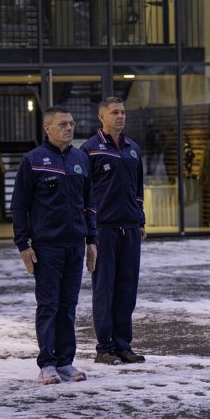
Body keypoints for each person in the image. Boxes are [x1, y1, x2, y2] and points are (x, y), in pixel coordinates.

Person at [11, 106, 97, 385]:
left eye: (71, 124)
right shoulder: (33, 160)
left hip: (75, 245)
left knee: (68, 305)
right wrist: (23, 244)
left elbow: (88, 204)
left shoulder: (81, 159)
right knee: (49, 304)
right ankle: (47, 363)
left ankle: (65, 361)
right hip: (47, 246)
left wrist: (92, 240)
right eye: (63, 124)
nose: (69, 128)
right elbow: (20, 206)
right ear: (48, 128)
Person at [81, 97, 147, 365]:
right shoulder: (90, 149)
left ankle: (123, 344)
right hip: (104, 229)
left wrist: (140, 220)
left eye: (123, 112)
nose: (120, 116)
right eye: (114, 112)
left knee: (127, 288)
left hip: (129, 227)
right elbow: (84, 194)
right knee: (104, 289)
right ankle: (104, 347)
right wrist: (89, 232)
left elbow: (138, 189)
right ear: (101, 117)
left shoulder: (133, 149)